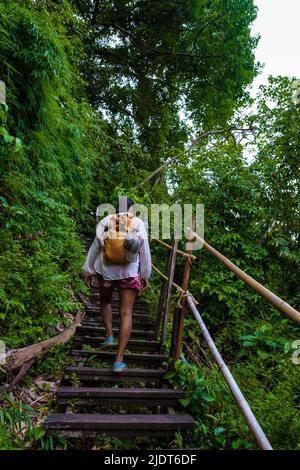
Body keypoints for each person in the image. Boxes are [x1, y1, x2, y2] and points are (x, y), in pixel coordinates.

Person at [82, 197, 151, 373]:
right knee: (126, 313)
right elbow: (144, 249)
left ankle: (110, 336)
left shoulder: (106, 221)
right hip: (129, 272)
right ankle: (119, 360)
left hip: (106, 272)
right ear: (132, 209)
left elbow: (96, 245)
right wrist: (145, 274)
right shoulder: (137, 222)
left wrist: (88, 270)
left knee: (105, 301)